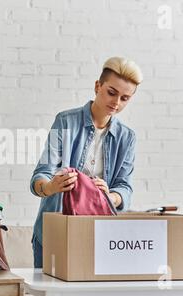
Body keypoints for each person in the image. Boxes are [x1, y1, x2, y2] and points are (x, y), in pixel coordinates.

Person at [29, 56, 143, 268]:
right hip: (54, 233)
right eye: (112, 92)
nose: (116, 103)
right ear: (97, 86)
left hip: (98, 237)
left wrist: (110, 196)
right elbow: (41, 175)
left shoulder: (127, 137)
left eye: (125, 98)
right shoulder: (65, 121)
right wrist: (51, 186)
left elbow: (124, 188)